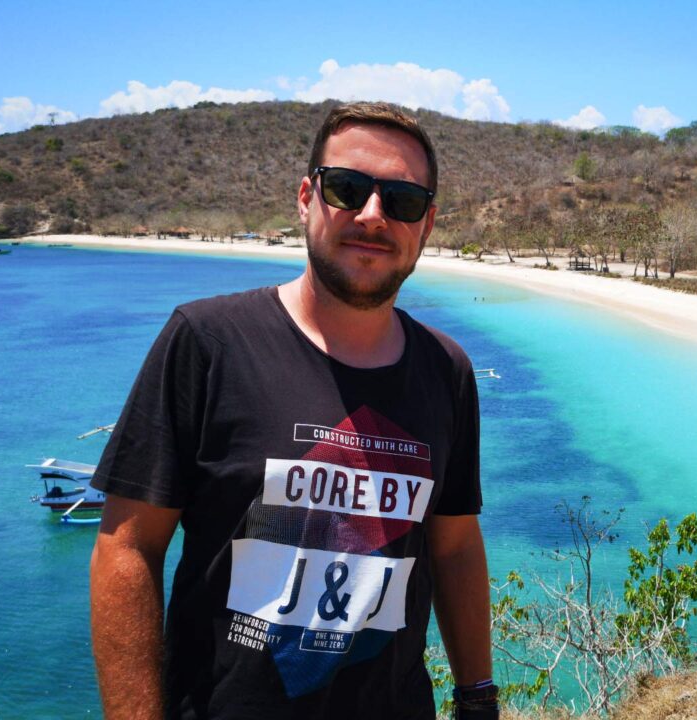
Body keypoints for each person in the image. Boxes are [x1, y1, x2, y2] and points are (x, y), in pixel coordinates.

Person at [89, 102, 496, 720]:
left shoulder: (447, 371)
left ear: (428, 224)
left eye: (403, 201)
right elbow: (127, 548)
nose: (372, 215)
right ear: (307, 198)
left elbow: (456, 545)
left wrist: (477, 699)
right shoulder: (207, 341)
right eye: (348, 188)